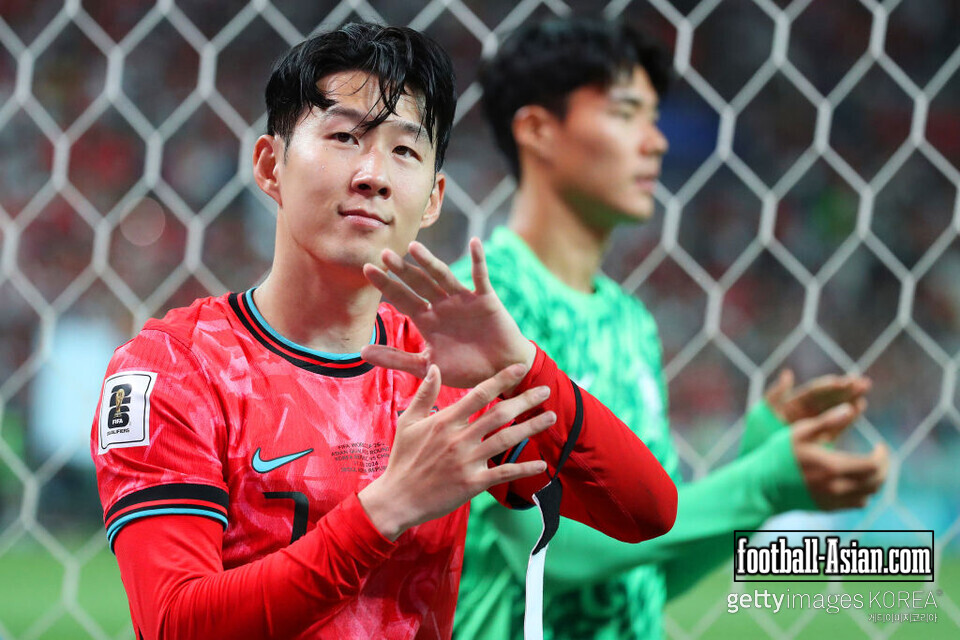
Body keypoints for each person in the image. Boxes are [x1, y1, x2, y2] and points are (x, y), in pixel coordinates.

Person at [90, 23, 678, 640]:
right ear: (270, 165)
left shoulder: (441, 372)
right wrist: (385, 511)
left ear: (432, 199)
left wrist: (525, 365)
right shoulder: (175, 368)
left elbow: (645, 512)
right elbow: (176, 625)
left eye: (404, 150)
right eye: (344, 136)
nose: (373, 174)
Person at [453, 18, 890, 640]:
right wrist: (757, 484)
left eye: (653, 118)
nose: (655, 141)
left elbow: (648, 567)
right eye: (627, 112)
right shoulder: (474, 307)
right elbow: (548, 552)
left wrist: (758, 468)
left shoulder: (632, 324)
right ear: (538, 130)